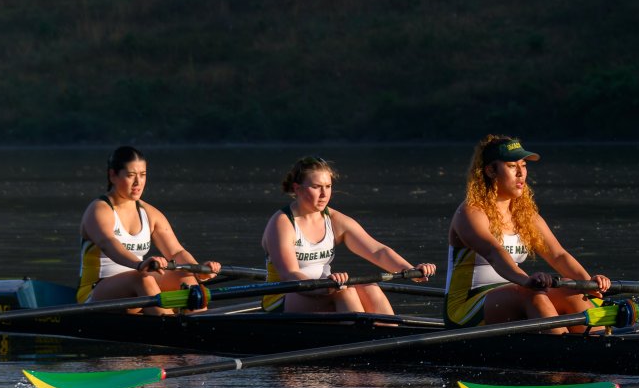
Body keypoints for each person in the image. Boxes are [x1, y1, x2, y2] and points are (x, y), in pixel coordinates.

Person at [445, 135, 610, 330]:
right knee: (530, 294)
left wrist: (589, 285)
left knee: (569, 288)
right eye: (512, 166)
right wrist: (526, 281)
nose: (521, 173)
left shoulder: (526, 216)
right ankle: (564, 350)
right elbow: (494, 253)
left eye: (523, 165)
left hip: (515, 292)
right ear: (490, 170)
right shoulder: (470, 212)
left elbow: (558, 255)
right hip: (466, 307)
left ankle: (601, 340)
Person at [261, 155, 435, 314]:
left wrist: (410, 269)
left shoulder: (335, 220)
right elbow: (289, 274)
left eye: (328, 186)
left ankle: (391, 336)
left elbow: (377, 251)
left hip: (325, 288)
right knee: (345, 293)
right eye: (316, 187)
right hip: (283, 297)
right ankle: (362, 341)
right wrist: (326, 287)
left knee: (370, 287)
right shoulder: (282, 223)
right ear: (297, 188)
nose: (324, 194)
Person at [78, 145, 222, 312]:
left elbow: (176, 252)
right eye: (131, 176)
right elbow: (108, 243)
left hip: (139, 286)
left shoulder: (150, 213)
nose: (138, 183)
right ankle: (170, 326)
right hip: (96, 291)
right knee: (143, 279)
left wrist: (199, 271)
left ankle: (199, 323)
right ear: (113, 175)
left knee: (185, 277)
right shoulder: (99, 210)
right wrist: (139, 264)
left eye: (143, 175)